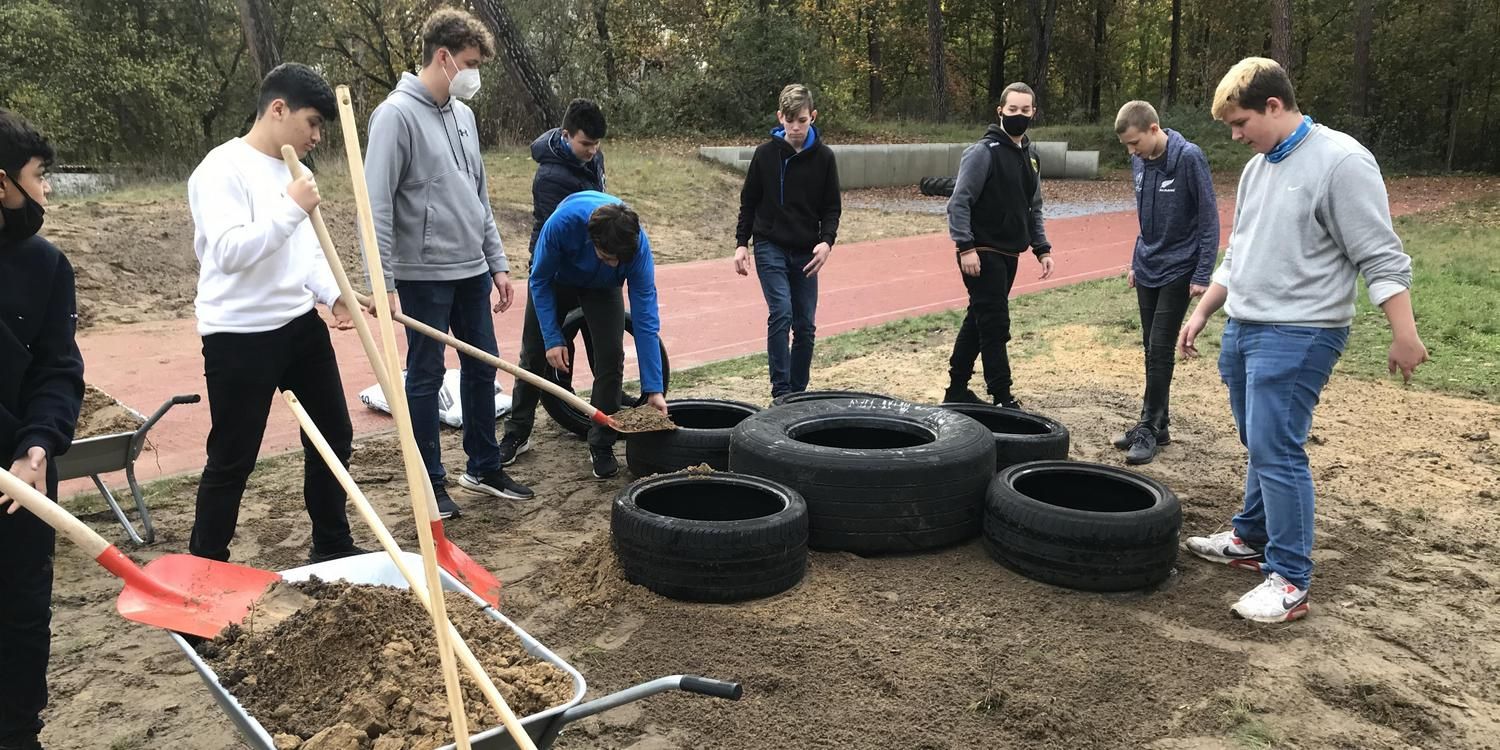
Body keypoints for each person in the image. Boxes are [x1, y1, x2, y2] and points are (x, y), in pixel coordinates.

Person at [1180, 57, 1428, 623]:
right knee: (1258, 438)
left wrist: (1404, 333)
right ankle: (1250, 538)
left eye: (1241, 123)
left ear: (1274, 105)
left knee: (1276, 446)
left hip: (1301, 333)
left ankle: (1289, 578)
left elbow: (1381, 255)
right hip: (1245, 326)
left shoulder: (1341, 162)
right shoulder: (1257, 168)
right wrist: (1205, 311)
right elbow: (1239, 252)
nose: (1237, 137)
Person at [185, 63, 366, 565]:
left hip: (297, 326)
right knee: (233, 458)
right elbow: (229, 252)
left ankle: (331, 545)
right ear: (278, 109)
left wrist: (334, 295)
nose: (317, 135)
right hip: (239, 335)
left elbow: (305, 252)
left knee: (334, 436)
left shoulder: (296, 173)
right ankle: (205, 569)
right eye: (311, 122)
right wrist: (290, 207)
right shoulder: (220, 170)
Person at [365, 7, 533, 517]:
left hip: (471, 271)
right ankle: (429, 481)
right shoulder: (394, 115)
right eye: (470, 61)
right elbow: (376, 203)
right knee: (425, 375)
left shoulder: (465, 117)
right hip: (423, 276)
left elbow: (477, 196)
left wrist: (497, 263)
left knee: (482, 368)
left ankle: (482, 465)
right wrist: (382, 280)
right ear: (443, 58)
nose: (475, 72)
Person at [0, 108, 84, 750]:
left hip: (19, 480)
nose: (46, 190)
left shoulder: (45, 266)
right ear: (2, 184)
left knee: (23, 613)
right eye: (39, 176)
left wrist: (38, 445)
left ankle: (20, 732)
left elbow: (57, 367)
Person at [506, 190, 666, 479]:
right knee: (533, 356)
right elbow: (538, 280)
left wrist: (654, 388)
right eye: (607, 257)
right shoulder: (562, 224)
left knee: (610, 357)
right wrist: (553, 338)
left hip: (603, 289)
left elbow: (645, 320)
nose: (615, 264)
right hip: (555, 281)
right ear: (593, 241)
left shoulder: (637, 247)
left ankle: (602, 443)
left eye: (620, 260)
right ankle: (517, 433)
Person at [497, 99, 608, 466]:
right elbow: (563, 235)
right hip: (554, 270)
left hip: (594, 268)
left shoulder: (594, 159)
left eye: (596, 145)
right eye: (585, 145)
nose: (592, 153)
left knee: (603, 346)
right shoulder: (549, 177)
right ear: (565, 136)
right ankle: (516, 433)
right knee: (535, 352)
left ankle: (604, 425)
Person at [1112, 100, 1219, 465]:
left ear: (1154, 129)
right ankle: (1161, 424)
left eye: (1135, 143)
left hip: (1180, 267)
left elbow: (1208, 218)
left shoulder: (1189, 158)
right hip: (1147, 265)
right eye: (1127, 146)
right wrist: (1134, 261)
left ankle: (1147, 425)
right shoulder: (1138, 162)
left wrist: (1203, 272)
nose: (1131, 151)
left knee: (1160, 346)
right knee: (1149, 346)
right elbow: (1145, 218)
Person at [944, 82, 1055, 409]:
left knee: (978, 320)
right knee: (995, 324)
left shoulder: (1031, 157)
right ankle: (1003, 396)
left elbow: (1034, 206)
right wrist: (966, 247)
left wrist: (1042, 248)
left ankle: (956, 389)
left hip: (1011, 254)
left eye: (1025, 110)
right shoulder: (983, 153)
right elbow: (959, 203)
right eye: (1012, 110)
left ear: (1033, 112)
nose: (1018, 116)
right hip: (981, 253)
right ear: (1000, 111)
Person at [732, 83, 841, 399]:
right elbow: (748, 201)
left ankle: (797, 391)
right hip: (770, 244)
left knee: (805, 325)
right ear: (780, 117)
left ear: (813, 117)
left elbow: (832, 207)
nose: (795, 128)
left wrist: (826, 242)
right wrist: (742, 243)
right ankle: (781, 391)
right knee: (781, 311)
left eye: (802, 121)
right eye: (790, 120)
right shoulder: (765, 155)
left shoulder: (824, 158)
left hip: (807, 249)